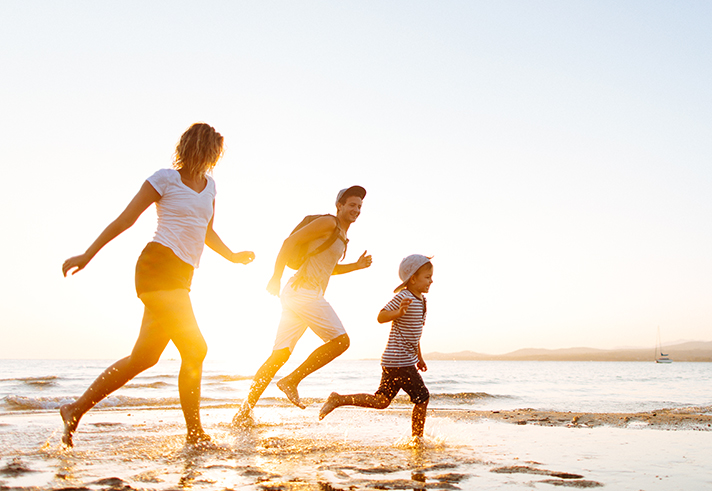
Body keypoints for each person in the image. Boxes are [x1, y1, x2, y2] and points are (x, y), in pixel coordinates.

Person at [60, 122, 255, 447]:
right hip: (157, 267)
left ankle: (75, 409)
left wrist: (232, 256)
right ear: (199, 147)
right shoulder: (164, 179)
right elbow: (126, 219)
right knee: (196, 348)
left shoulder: (210, 187)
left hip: (182, 276)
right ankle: (194, 433)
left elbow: (206, 231)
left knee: (144, 358)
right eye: (212, 150)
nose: (214, 157)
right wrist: (88, 255)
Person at [233, 186, 372, 425]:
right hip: (303, 292)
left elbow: (330, 268)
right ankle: (291, 381)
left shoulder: (341, 236)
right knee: (341, 342)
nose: (356, 210)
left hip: (300, 294)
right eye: (351, 205)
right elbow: (289, 242)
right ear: (339, 206)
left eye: (359, 206)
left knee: (278, 356)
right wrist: (275, 277)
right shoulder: (329, 223)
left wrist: (356, 266)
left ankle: (244, 411)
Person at [319, 254, 433, 438]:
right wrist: (398, 312)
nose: (431, 281)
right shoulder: (404, 295)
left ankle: (338, 399)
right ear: (412, 278)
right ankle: (417, 440)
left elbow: (415, 333)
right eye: (427, 277)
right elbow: (381, 316)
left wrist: (419, 357)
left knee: (381, 401)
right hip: (399, 361)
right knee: (422, 398)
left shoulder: (423, 302)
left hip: (397, 361)